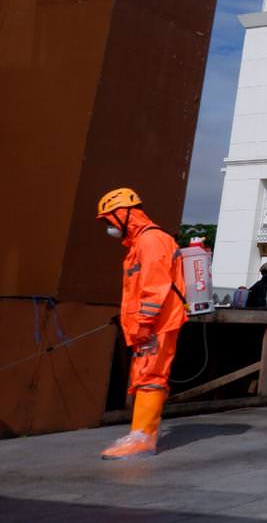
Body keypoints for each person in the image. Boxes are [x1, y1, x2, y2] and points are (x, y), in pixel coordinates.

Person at [96, 188, 187, 460]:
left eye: (109, 219)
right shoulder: (141, 243)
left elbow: (155, 287)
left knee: (150, 375)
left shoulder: (151, 241)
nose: (109, 227)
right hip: (147, 325)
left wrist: (145, 322)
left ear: (124, 214)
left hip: (156, 324)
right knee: (143, 375)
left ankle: (143, 438)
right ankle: (139, 433)